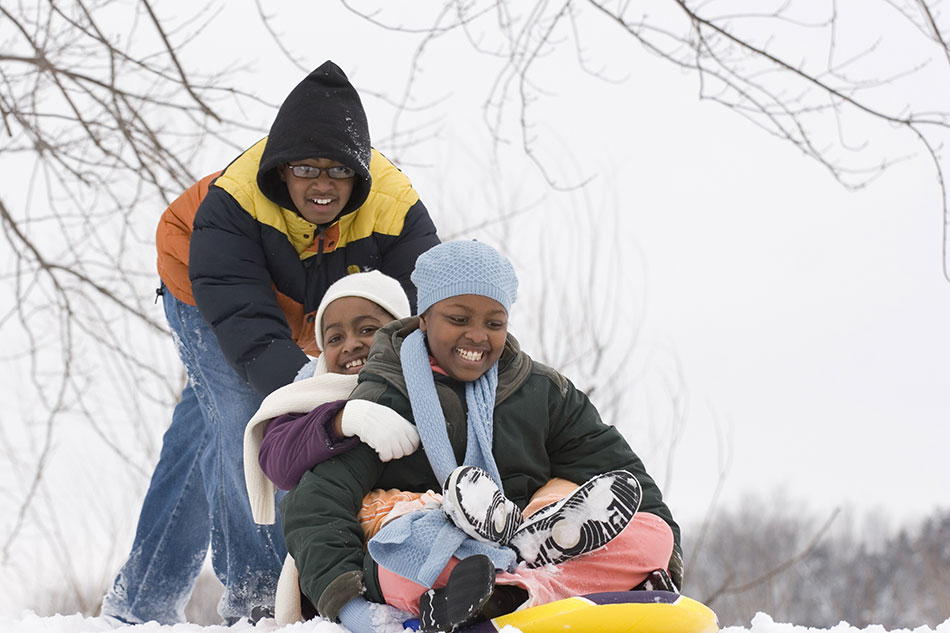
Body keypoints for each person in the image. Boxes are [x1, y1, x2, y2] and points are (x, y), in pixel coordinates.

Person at [101, 60, 440, 625]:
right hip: (204, 285)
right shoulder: (233, 204)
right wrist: (321, 410)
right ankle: (257, 597)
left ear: (360, 174)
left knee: (206, 431)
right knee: (245, 413)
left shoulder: (395, 207)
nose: (322, 184)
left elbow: (414, 320)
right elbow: (249, 327)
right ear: (281, 170)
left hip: (311, 304)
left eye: (338, 171)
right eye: (306, 168)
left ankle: (137, 606)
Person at [278, 240, 684, 633]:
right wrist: (353, 608)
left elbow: (618, 468)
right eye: (458, 319)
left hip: (532, 549)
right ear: (424, 319)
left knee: (653, 534)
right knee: (399, 559)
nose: (477, 335)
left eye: (494, 323)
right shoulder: (386, 395)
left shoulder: (542, 392)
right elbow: (316, 504)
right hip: (443, 558)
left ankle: (513, 594)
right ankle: (553, 588)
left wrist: (668, 559)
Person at [242, 269, 439, 625]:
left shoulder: (430, 385)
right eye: (334, 338)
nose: (350, 345)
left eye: (367, 330)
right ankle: (360, 612)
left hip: (430, 519)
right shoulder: (309, 398)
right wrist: (342, 420)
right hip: (343, 538)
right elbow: (277, 458)